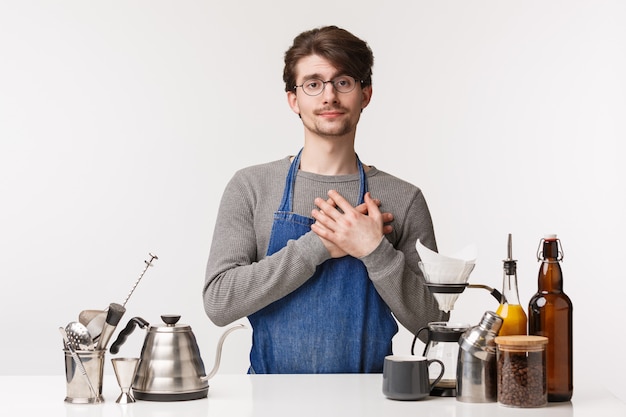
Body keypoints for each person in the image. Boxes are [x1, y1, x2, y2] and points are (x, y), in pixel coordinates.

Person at [203, 25, 447, 374]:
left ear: (365, 95)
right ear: (294, 99)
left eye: (343, 81)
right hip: (270, 401)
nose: (329, 96)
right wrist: (317, 246)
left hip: (372, 402)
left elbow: (435, 322)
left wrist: (374, 251)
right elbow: (219, 302)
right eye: (313, 84)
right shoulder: (251, 187)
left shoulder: (403, 198)